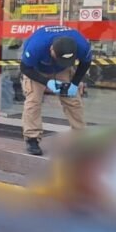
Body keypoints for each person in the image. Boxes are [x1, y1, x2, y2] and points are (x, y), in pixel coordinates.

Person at [19, 25, 93, 156]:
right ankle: (32, 139)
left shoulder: (81, 44)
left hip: (61, 70)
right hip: (35, 70)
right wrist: (47, 82)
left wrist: (74, 84)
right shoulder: (36, 45)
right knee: (33, 102)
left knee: (73, 102)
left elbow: (85, 63)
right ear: (51, 49)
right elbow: (25, 68)